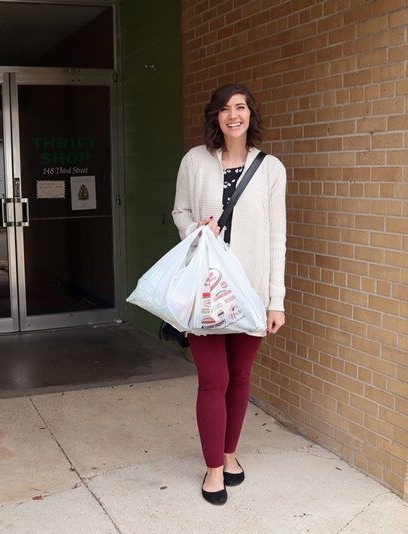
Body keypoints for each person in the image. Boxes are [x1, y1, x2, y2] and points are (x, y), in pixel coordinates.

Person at [172, 83, 287, 505]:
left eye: (239, 107)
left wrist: (276, 300)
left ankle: (230, 454)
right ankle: (214, 469)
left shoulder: (271, 169)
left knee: (239, 379)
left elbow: (278, 237)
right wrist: (194, 229)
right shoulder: (195, 161)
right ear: (215, 118)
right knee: (213, 380)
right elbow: (179, 210)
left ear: (250, 115)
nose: (232, 115)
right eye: (224, 109)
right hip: (206, 290)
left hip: (251, 292)